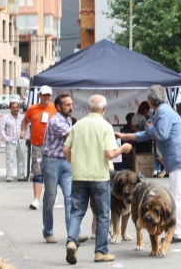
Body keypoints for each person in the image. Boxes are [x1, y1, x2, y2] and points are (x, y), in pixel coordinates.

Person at [116, 85, 181, 244]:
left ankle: (178, 232)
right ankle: (175, 230)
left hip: (179, 158)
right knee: (174, 195)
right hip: (176, 159)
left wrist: (150, 127)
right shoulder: (163, 111)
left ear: (151, 101)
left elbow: (162, 134)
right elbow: (149, 134)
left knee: (177, 197)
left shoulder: (163, 112)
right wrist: (126, 135)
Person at [63, 95, 132, 264]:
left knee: (77, 211)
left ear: (88, 108)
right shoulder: (105, 126)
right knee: (102, 215)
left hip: (79, 176)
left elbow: (65, 149)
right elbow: (110, 154)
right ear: (104, 108)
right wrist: (123, 148)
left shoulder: (78, 125)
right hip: (100, 176)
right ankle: (100, 252)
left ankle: (72, 241)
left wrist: (74, 163)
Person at [42, 94, 89, 244]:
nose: (71, 107)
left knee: (71, 198)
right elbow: (71, 135)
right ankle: (48, 231)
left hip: (66, 161)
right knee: (50, 197)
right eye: (67, 105)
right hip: (52, 161)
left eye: (71, 104)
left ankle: (73, 233)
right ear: (58, 107)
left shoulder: (68, 120)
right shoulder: (55, 121)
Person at [22, 85, 57, 210]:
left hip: (52, 145)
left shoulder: (55, 108)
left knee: (51, 172)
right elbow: (25, 120)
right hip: (37, 145)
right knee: (38, 172)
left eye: (48, 95)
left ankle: (50, 197)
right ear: (39, 95)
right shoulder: (32, 109)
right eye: (44, 95)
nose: (47, 97)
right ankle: (36, 199)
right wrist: (23, 131)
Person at [0, 101, 27, 182]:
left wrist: (25, 136)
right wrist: (7, 139)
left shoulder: (22, 117)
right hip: (10, 140)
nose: (15, 109)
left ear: (19, 107)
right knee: (10, 159)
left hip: (21, 140)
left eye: (16, 107)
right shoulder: (6, 117)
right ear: (10, 108)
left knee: (21, 158)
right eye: (13, 107)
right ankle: (9, 176)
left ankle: (21, 176)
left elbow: (26, 128)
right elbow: (1, 129)